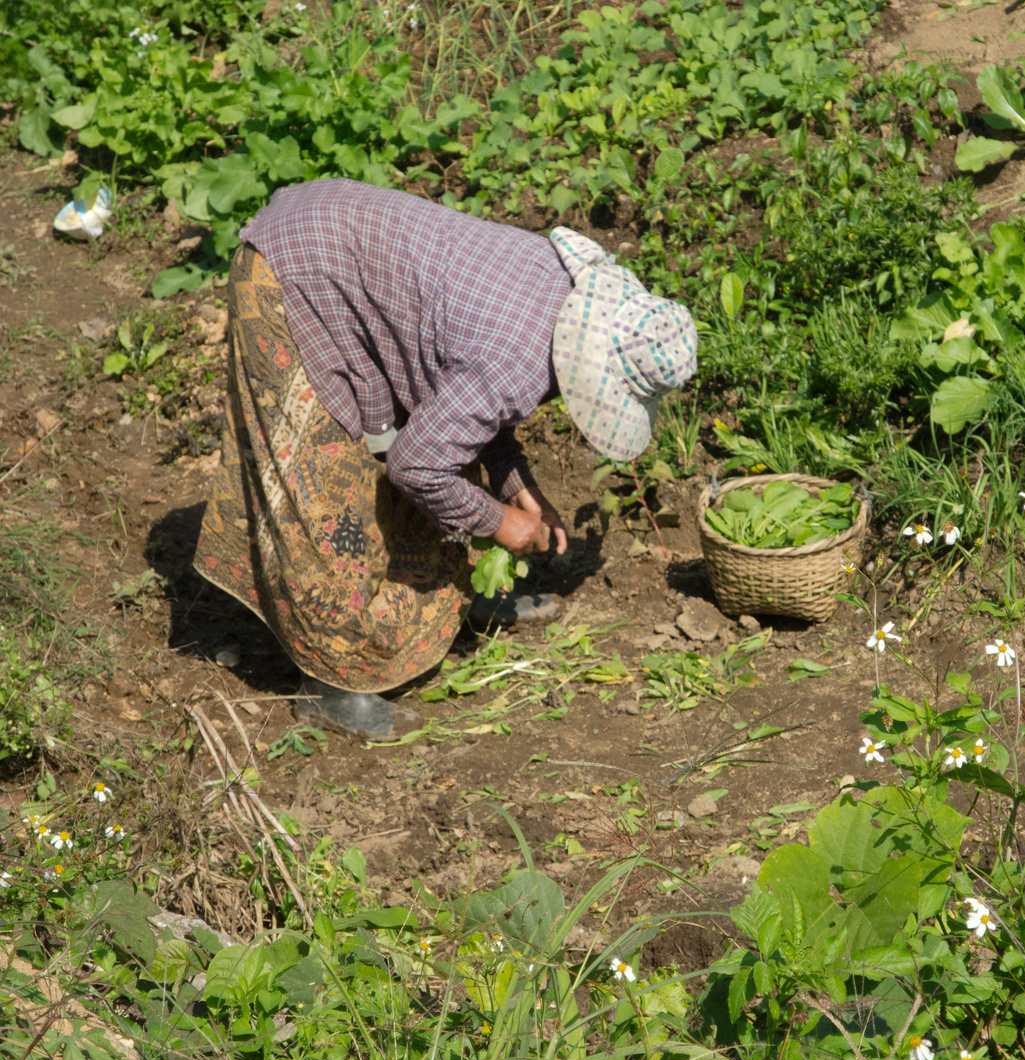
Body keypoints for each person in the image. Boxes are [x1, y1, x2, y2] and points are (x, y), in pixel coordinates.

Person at [193, 179, 697, 736]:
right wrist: (502, 523)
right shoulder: (516, 362)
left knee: (451, 452)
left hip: (343, 255)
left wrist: (517, 488)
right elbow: (417, 463)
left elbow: (468, 400)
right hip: (290, 271)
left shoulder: (560, 296)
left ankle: (453, 604)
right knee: (324, 486)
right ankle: (333, 682)